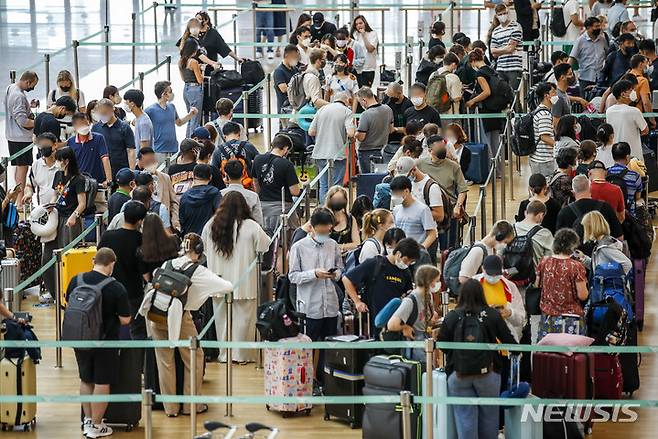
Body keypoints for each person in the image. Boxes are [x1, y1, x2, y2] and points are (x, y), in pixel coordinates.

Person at [138, 232, 232, 417]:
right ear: (198, 251)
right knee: (194, 359)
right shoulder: (198, 271)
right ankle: (191, 406)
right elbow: (227, 286)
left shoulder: (168, 263)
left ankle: (170, 409)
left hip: (157, 315)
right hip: (180, 318)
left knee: (165, 362)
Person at [438, 279, 517, 439]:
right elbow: (511, 343)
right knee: (489, 419)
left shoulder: (452, 316)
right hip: (488, 374)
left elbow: (442, 344)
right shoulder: (492, 315)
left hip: (459, 374)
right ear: (482, 294)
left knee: (465, 419)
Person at [202, 192, 270, 363]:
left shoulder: (211, 225)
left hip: (218, 281)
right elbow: (266, 245)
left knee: (222, 321)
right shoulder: (251, 226)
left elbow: (203, 250)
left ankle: (225, 354)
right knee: (244, 321)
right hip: (245, 281)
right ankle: (242, 355)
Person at [70, 248, 130, 439]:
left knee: (85, 378)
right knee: (102, 381)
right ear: (112, 264)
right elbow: (125, 320)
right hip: (105, 341)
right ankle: (96, 425)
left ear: (94, 260)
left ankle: (88, 420)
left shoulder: (76, 280)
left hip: (79, 337)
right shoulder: (116, 287)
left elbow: (68, 303)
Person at [288, 208, 342, 386]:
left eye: (328, 231)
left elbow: (340, 269)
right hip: (309, 306)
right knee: (308, 347)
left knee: (329, 345)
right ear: (311, 227)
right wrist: (314, 274)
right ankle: (306, 382)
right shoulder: (299, 247)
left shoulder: (332, 245)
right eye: (321, 231)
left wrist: (336, 274)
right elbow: (293, 276)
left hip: (330, 304)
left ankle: (326, 380)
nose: (325, 234)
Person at [343, 238, 419, 335]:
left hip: (393, 325)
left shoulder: (405, 272)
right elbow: (346, 279)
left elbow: (408, 293)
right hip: (372, 321)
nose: (407, 264)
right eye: (406, 260)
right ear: (399, 254)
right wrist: (357, 302)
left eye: (411, 262)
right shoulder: (375, 264)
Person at [99, 201, 148, 340]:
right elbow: (144, 270)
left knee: (109, 326)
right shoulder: (140, 239)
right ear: (140, 221)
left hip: (108, 288)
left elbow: (98, 259)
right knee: (137, 329)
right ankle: (136, 359)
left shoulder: (108, 236)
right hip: (133, 291)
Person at [536, 228, 588, 340]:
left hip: (548, 319)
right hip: (571, 320)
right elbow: (583, 295)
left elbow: (537, 285)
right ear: (573, 246)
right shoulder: (576, 266)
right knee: (570, 356)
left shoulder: (544, 262)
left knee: (548, 356)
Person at [387, 265, 441, 361]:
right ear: (429, 281)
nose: (438, 284)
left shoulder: (428, 295)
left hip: (424, 340)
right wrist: (405, 327)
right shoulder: (410, 301)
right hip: (413, 344)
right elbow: (391, 324)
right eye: (436, 281)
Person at [308, 92, 355, 202]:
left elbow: (311, 131)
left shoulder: (321, 110)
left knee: (323, 185)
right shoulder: (347, 112)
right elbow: (351, 133)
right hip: (337, 155)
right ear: (347, 101)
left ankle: (324, 211)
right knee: (336, 187)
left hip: (320, 153)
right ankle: (334, 211)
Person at [252, 134, 301, 235]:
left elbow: (255, 182)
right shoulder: (287, 165)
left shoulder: (257, 159)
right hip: (283, 207)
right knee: (292, 234)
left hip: (263, 207)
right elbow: (295, 191)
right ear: (286, 148)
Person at [4, 70, 39, 206]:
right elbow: (23, 121)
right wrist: (39, 121)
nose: (32, 88)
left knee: (19, 168)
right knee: (22, 169)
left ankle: (18, 200)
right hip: (20, 138)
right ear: (27, 82)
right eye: (32, 85)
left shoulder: (11, 88)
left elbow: (16, 110)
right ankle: (20, 202)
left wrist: (28, 106)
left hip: (13, 135)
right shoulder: (18, 95)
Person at [556, 174, 624, 240]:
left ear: (573, 192)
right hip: (602, 250)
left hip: (576, 250)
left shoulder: (564, 212)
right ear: (590, 188)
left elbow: (560, 242)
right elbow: (619, 237)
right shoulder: (605, 207)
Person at [464, 49, 504, 158]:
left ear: (472, 61)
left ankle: (490, 168)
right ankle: (499, 170)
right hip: (496, 109)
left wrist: (472, 100)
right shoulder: (492, 70)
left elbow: (487, 92)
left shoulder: (480, 73)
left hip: (486, 109)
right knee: (495, 141)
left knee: (486, 141)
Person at [145, 81, 197, 163]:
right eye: (170, 91)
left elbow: (179, 122)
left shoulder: (172, 107)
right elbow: (138, 120)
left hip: (174, 149)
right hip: (159, 150)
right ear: (164, 94)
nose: (172, 94)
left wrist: (190, 115)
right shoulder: (150, 110)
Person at [134, 147, 180, 231]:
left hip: (164, 223)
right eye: (148, 162)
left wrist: (175, 220)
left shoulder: (165, 178)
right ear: (140, 162)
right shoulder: (138, 180)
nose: (152, 163)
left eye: (153, 161)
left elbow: (174, 202)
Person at [390, 175, 438, 252]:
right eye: (392, 193)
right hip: (401, 253)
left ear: (406, 191)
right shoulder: (396, 210)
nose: (394, 196)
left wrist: (421, 250)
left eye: (396, 193)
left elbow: (432, 234)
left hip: (416, 253)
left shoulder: (423, 209)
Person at [92, 99, 136, 179]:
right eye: (101, 113)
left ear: (113, 109)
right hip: (102, 171)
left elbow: (131, 151)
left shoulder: (124, 128)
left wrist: (131, 172)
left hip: (121, 170)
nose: (103, 116)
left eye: (105, 113)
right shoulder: (96, 128)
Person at [67, 112, 112, 189]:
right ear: (74, 126)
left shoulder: (98, 138)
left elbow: (105, 158)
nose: (85, 127)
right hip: (78, 184)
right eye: (81, 125)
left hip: (97, 181)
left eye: (86, 124)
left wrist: (108, 179)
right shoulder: (71, 142)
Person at [396, 156, 445, 227]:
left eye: (406, 176)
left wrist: (414, 213)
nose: (404, 179)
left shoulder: (431, 187)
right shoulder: (406, 184)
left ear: (414, 170)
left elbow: (439, 216)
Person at [606, 79, 648, 162]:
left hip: (616, 154)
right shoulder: (634, 111)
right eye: (631, 90)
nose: (634, 92)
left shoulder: (609, 111)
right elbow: (645, 130)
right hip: (633, 155)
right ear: (623, 94)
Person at [354, 87, 394, 173]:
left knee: (368, 180)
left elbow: (361, 137)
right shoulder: (388, 109)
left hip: (366, 152)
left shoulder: (365, 114)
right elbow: (391, 130)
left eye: (360, 102)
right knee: (379, 177)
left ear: (364, 100)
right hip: (383, 150)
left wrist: (356, 133)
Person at [179, 164, 222, 236]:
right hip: (209, 239)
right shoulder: (215, 194)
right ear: (210, 177)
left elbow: (182, 220)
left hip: (190, 240)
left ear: (193, 176)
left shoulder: (185, 196)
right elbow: (221, 215)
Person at [490, 4, 523, 94]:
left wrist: (499, 49)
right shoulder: (496, 31)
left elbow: (511, 49)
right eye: (500, 14)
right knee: (501, 96)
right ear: (496, 16)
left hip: (514, 67)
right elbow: (493, 52)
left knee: (514, 96)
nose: (503, 16)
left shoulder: (516, 26)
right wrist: (506, 48)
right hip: (500, 67)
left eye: (504, 13)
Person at [570, 17, 608, 93]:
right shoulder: (580, 41)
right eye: (596, 26)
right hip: (585, 78)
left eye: (599, 26)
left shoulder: (602, 40)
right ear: (588, 28)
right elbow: (572, 57)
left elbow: (607, 55)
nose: (599, 28)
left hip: (600, 78)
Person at [221, 160, 263, 226]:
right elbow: (258, 222)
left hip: (225, 232)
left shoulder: (220, 195)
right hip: (249, 232)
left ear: (226, 175)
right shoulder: (253, 196)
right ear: (243, 173)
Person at [529, 82, 558, 178]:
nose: (556, 95)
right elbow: (544, 137)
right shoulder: (544, 115)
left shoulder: (539, 111)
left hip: (538, 158)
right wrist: (558, 147)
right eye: (553, 92)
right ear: (546, 96)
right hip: (543, 160)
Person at [514, 200, 555, 266]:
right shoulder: (544, 233)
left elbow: (501, 253)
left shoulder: (511, 229)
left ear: (525, 212)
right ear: (541, 215)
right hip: (534, 274)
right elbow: (550, 259)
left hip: (512, 273)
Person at [23, 133, 59, 207]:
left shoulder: (62, 163)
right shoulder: (36, 165)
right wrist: (29, 193)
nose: (43, 148)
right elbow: (29, 185)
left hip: (63, 209)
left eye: (46, 145)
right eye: (41, 146)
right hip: (43, 208)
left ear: (55, 145)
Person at [608, 141, 643, 213]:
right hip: (628, 215)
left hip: (611, 215)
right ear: (627, 157)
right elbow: (637, 197)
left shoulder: (606, 173)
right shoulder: (635, 176)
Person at [178, 39, 204, 137]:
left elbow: (183, 78)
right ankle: (194, 140)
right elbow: (200, 80)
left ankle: (188, 140)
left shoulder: (180, 61)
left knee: (190, 117)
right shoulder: (193, 62)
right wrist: (201, 70)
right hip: (195, 90)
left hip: (186, 89)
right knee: (195, 119)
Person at [325, 186, 361, 253]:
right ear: (329, 200)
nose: (338, 201)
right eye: (335, 199)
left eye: (340, 199)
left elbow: (357, 243)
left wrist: (339, 246)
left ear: (345, 200)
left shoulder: (351, 219)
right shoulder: (324, 217)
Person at [350, 15, 379, 88]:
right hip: (356, 68)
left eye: (360, 23)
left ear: (365, 23)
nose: (359, 25)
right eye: (356, 24)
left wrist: (364, 36)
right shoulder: (355, 35)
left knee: (365, 92)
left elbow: (370, 49)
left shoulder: (373, 34)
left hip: (368, 68)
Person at [273, 45, 300, 112]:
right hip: (285, 109)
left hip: (295, 107)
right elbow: (284, 89)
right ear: (287, 56)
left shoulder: (295, 69)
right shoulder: (279, 71)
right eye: (295, 57)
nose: (297, 59)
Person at [629, 54, 654, 125]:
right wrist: (652, 119)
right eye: (646, 62)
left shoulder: (624, 77)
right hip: (637, 117)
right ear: (640, 64)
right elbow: (646, 102)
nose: (648, 65)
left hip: (624, 115)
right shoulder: (642, 81)